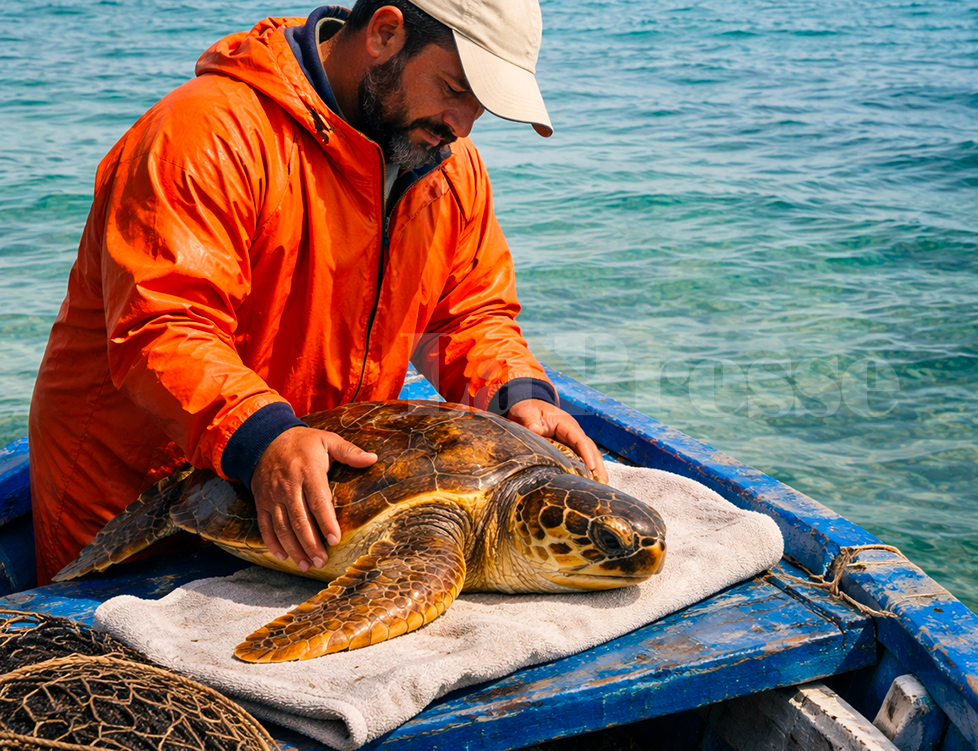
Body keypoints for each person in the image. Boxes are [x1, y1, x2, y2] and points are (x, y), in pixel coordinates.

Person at [27, 0, 607, 586]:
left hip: (320, 510)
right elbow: (166, 326)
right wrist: (263, 438)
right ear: (384, 33)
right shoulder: (206, 133)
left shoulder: (451, 167)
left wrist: (517, 396)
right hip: (142, 509)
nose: (463, 123)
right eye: (455, 87)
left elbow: (468, 317)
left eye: (481, 106)